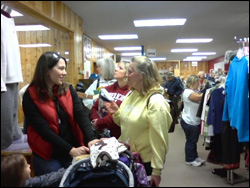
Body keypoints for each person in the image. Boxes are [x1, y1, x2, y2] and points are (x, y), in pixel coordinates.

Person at [22, 51, 99, 176]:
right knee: (58, 179)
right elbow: (43, 130)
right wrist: (70, 150)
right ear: (47, 70)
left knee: (80, 178)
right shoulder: (30, 96)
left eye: (65, 69)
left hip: (72, 147)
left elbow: (80, 114)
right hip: (48, 153)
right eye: (61, 69)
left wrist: (91, 138)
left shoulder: (68, 89)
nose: (65, 73)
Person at [105, 56, 172, 187]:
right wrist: (116, 112)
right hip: (126, 157)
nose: (126, 75)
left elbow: (160, 140)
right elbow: (124, 124)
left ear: (141, 75)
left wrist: (157, 171)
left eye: (130, 71)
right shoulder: (131, 95)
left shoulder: (156, 102)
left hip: (144, 163)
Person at [90, 61, 131, 139]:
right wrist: (95, 121)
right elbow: (95, 107)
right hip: (101, 133)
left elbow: (122, 115)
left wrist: (99, 123)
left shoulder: (130, 92)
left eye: (120, 68)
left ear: (127, 73)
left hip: (119, 136)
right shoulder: (107, 89)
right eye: (116, 67)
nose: (116, 69)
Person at [181, 75, 205, 167]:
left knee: (193, 141)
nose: (198, 84)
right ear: (193, 83)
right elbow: (199, 98)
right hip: (189, 121)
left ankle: (195, 156)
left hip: (192, 120)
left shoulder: (192, 91)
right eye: (197, 82)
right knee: (191, 141)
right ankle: (189, 159)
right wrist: (208, 91)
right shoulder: (188, 92)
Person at [1, 154, 65, 187]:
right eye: (26, 166)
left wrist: (65, 172)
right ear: (18, 174)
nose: (29, 165)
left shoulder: (27, 182)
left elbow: (44, 179)